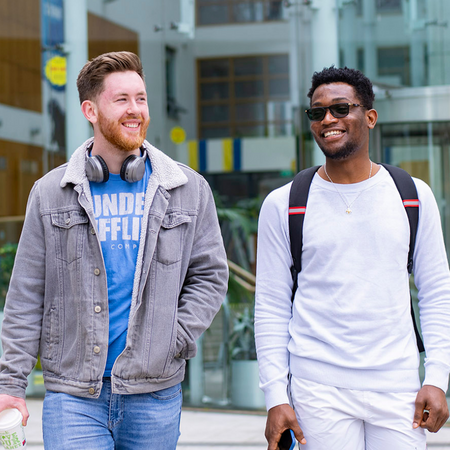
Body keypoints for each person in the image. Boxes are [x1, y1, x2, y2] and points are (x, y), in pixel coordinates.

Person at [0, 51, 228, 449]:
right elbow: (25, 294)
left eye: (140, 98)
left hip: (154, 393)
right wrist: (10, 385)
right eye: (121, 99)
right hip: (74, 394)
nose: (135, 110)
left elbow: (210, 276)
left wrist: (173, 339)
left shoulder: (186, 189)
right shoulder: (51, 193)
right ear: (90, 109)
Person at [255, 66, 450, 450]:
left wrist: (438, 377)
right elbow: (271, 306)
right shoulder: (284, 204)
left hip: (398, 388)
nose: (328, 119)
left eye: (341, 108)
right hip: (317, 389)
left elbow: (437, 292)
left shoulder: (413, 195)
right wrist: (276, 396)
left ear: (370, 117)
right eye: (317, 112)